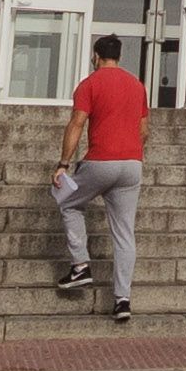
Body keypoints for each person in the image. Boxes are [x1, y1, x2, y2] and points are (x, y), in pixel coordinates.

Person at [53, 34, 147, 323]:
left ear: (96, 56)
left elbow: (77, 124)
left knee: (68, 202)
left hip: (101, 160)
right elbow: (144, 130)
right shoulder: (137, 85)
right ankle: (122, 300)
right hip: (132, 164)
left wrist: (63, 164)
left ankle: (80, 266)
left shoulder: (89, 84)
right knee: (124, 233)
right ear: (119, 56)